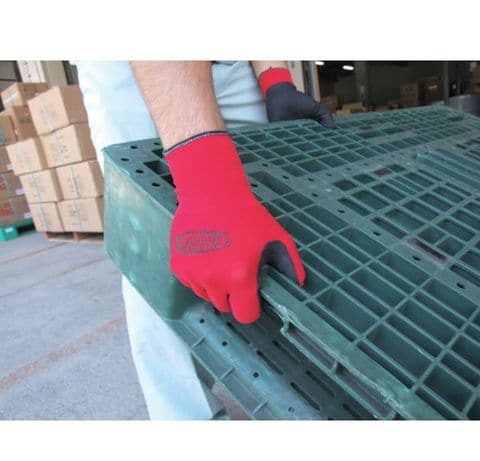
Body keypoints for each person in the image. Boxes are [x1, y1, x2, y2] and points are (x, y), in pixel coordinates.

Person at [75, 61, 334, 420]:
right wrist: (205, 178)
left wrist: (275, 78)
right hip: (133, 65)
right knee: (155, 236)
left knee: (260, 220)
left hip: (232, 59)